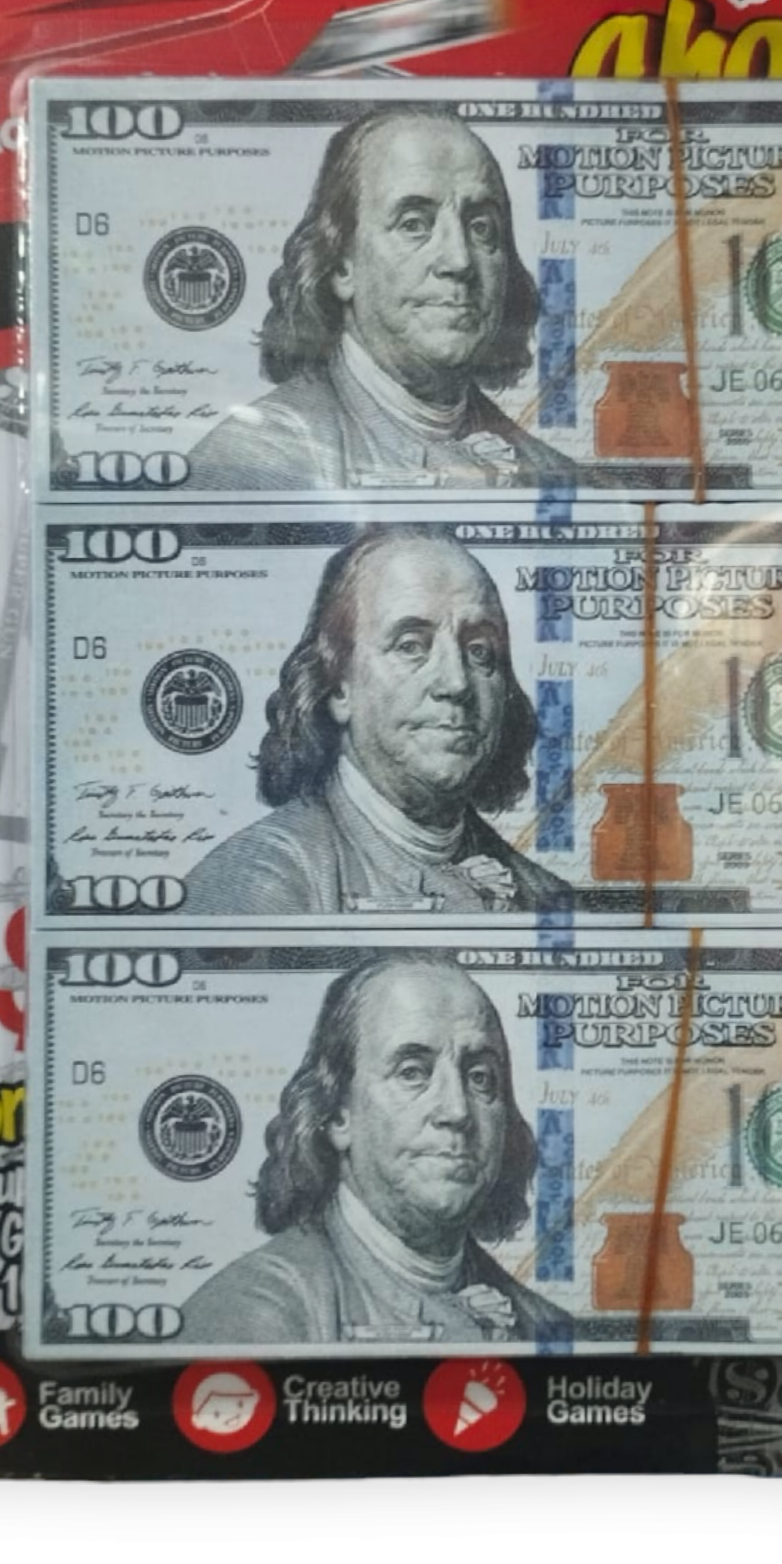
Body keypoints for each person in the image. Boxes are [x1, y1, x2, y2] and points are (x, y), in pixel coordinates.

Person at [180, 525, 572, 915]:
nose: (456, 682)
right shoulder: (254, 887)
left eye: (479, 651)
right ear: (338, 686)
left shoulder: (548, 897)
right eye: (410, 646)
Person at [181, 956, 569, 1345]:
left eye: (480, 1077)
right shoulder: (253, 1315)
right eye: (412, 1072)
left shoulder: (545, 1325)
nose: (457, 1110)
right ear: (337, 1114)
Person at [186, 110, 577, 490]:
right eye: (413, 224)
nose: (459, 260)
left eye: (481, 228)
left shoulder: (559, 477)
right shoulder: (249, 464)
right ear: (341, 265)